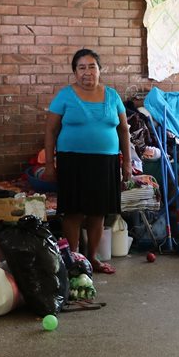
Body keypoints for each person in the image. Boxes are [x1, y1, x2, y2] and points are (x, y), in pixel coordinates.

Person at [45, 48, 131, 274]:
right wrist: (49, 165)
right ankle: (72, 258)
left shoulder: (112, 96)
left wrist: (127, 163)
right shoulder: (65, 95)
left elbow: (124, 131)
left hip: (106, 163)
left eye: (92, 67)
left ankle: (92, 259)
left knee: (98, 212)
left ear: (100, 70)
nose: (87, 72)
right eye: (81, 67)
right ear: (74, 72)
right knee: (73, 212)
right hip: (72, 162)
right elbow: (51, 131)